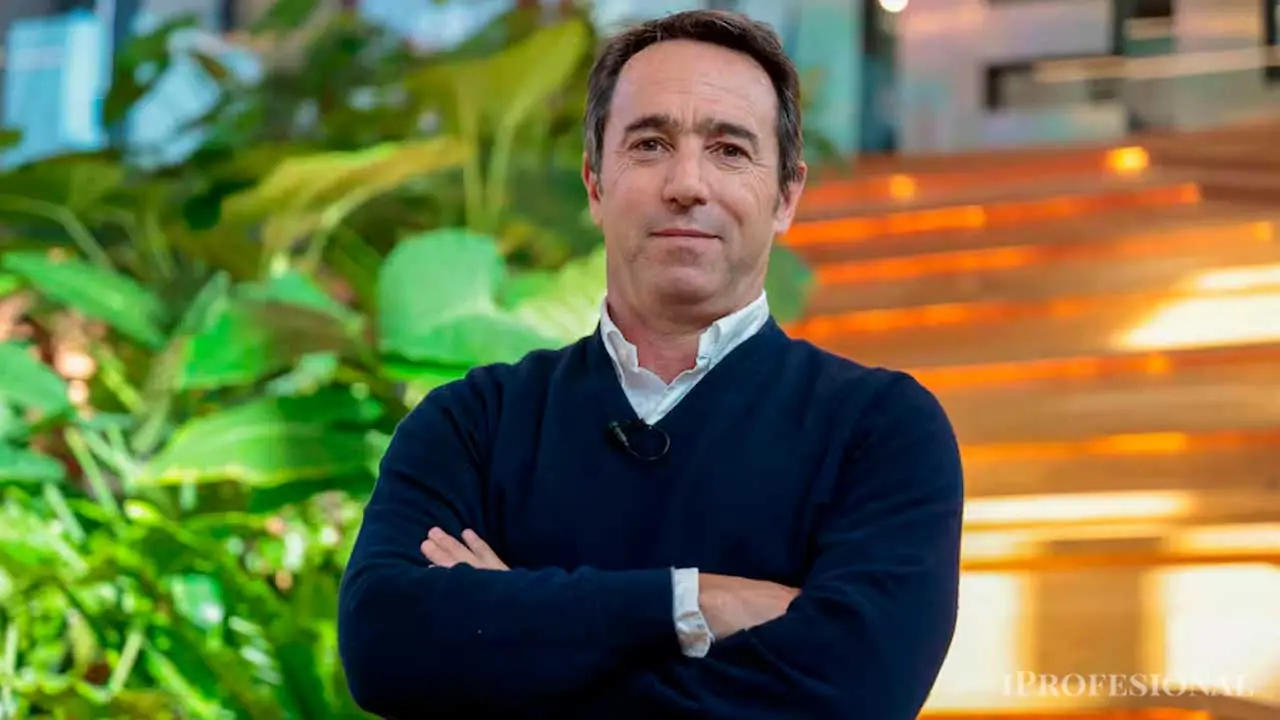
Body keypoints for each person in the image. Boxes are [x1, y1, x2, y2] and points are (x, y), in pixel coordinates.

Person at [337, 9, 963, 719]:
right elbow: (384, 643)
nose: (686, 183)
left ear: (786, 196)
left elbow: (856, 693)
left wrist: (516, 635)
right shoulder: (472, 424)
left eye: (729, 150)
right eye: (650, 144)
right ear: (595, 184)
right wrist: (693, 602)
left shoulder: (879, 430)